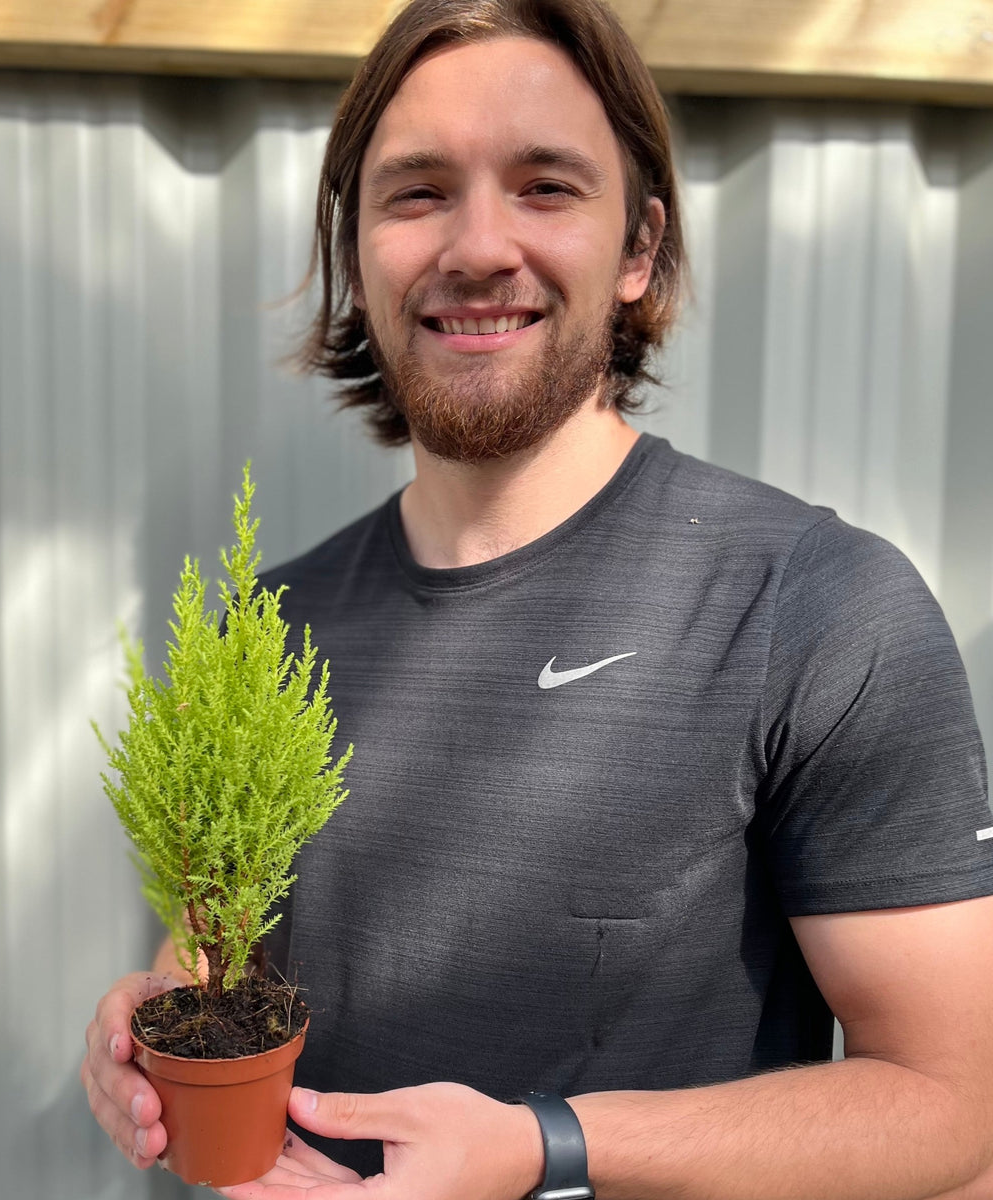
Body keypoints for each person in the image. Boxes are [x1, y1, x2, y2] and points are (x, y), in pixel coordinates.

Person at [81, 1, 993, 1196]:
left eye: (545, 186)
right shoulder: (266, 634)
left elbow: (953, 1106)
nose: (476, 246)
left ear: (638, 250)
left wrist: (546, 1147)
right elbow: (224, 954)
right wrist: (152, 1029)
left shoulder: (814, 607)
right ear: (359, 250)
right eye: (417, 193)